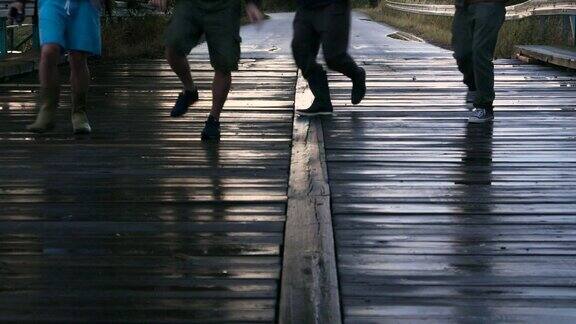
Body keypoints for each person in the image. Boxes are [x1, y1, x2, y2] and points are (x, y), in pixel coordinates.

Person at [150, 0, 264, 141]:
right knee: (173, 45)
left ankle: (213, 120)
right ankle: (190, 91)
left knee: (224, 63)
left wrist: (252, 3)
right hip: (190, 4)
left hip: (225, 7)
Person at [9, 0, 107, 134]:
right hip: (52, 2)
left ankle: (79, 112)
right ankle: (47, 110)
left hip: (85, 4)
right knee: (49, 50)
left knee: (78, 56)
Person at [292, 0, 366, 116]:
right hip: (305, 7)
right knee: (301, 51)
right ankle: (322, 101)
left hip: (333, 5)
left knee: (334, 56)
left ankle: (357, 74)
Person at [452, 0, 507, 123]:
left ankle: (485, 106)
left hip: (490, 5)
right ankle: (473, 86)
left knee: (480, 52)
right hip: (464, 6)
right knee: (461, 52)